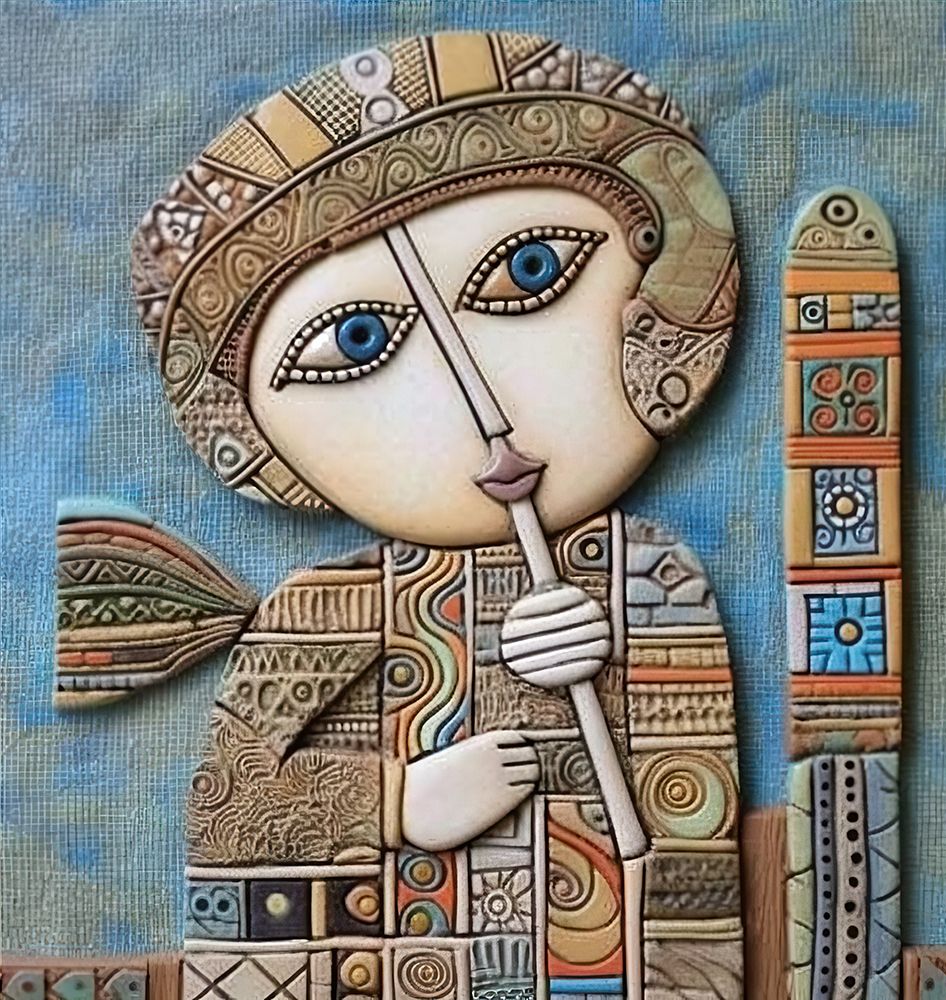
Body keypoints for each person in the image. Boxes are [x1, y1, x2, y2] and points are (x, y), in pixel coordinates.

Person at [69, 31, 744, 1000]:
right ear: (256, 432)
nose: (485, 408)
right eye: (355, 341)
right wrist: (400, 798)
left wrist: (611, 654)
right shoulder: (323, 606)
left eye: (531, 272)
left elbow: (687, 834)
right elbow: (231, 806)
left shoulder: (651, 576)